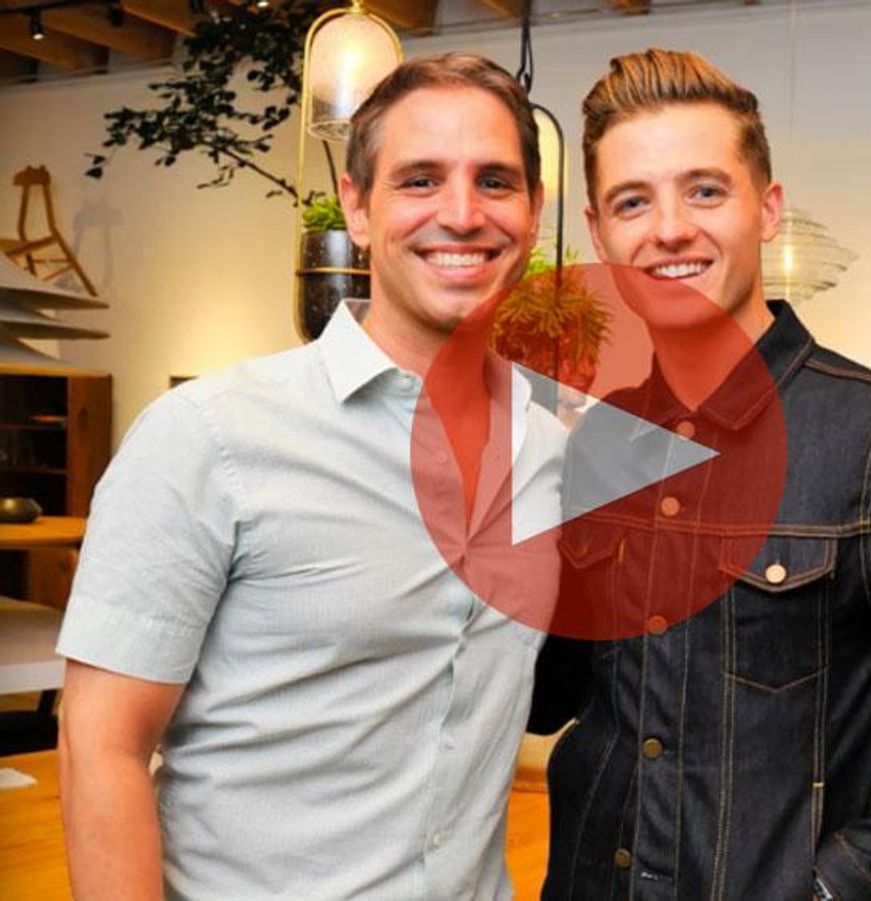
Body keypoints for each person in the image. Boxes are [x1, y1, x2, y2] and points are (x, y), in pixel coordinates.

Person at [530, 48, 871, 900]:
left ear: (768, 209)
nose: (669, 229)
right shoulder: (598, 441)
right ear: (600, 233)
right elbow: (553, 696)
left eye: (704, 190)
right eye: (633, 201)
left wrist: (842, 880)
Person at [56, 52, 561, 900]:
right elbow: (99, 744)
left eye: (495, 181)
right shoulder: (209, 437)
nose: (461, 213)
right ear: (357, 208)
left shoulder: (550, 452)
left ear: (534, 212)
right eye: (420, 180)